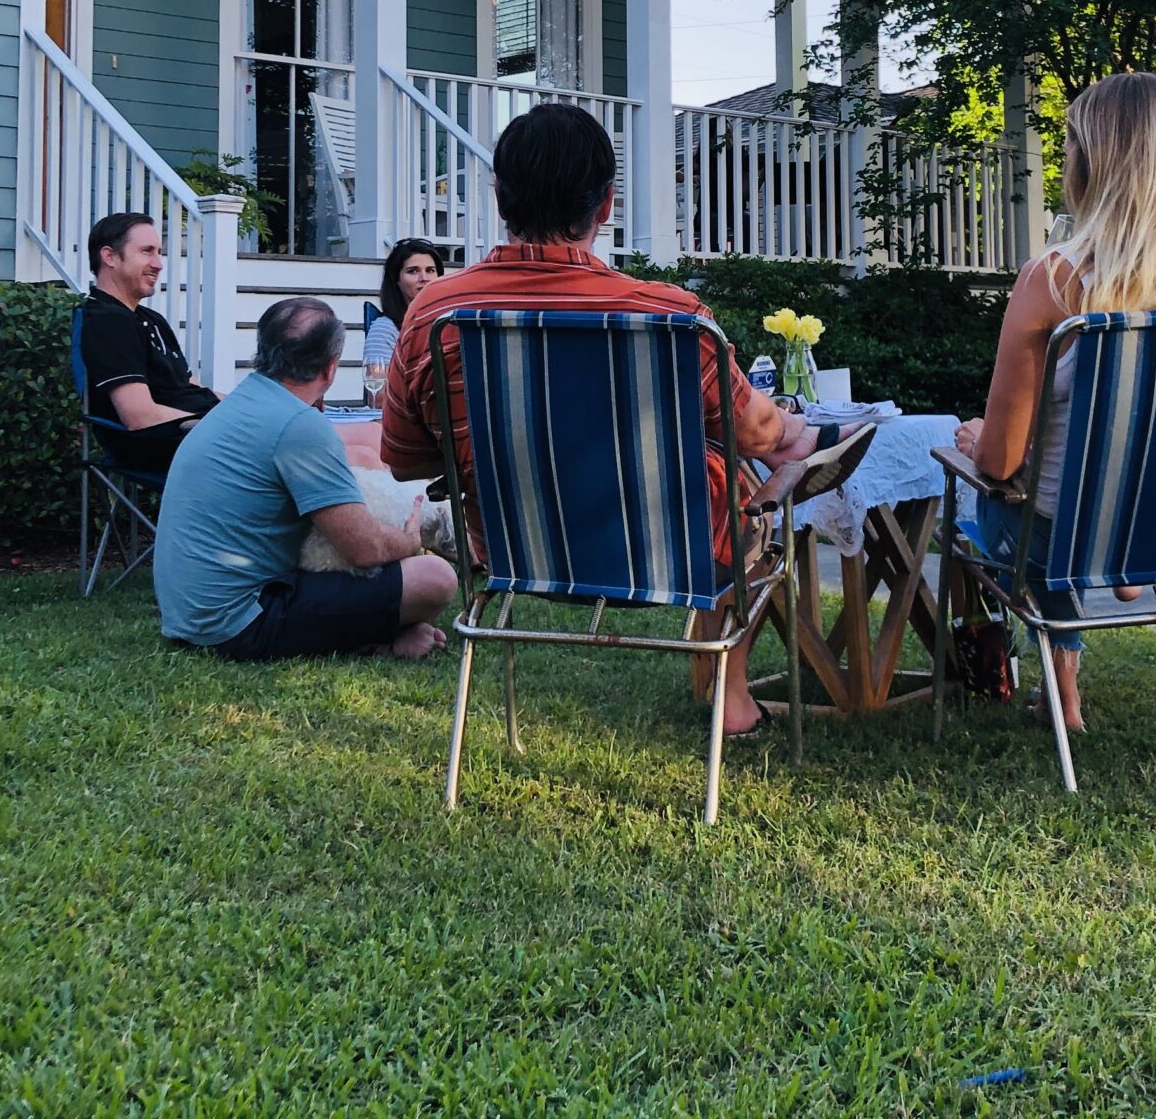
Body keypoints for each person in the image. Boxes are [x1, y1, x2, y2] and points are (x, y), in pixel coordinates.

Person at [379, 101, 821, 739]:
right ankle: (734, 702)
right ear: (607, 205)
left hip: (510, 548)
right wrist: (793, 430)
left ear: (501, 201)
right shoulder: (671, 318)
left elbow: (405, 459)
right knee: (749, 495)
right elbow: (759, 434)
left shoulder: (434, 315)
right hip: (671, 554)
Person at [952, 72, 1156, 734]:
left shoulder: (1055, 280)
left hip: (1063, 533)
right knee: (1069, 503)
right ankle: (1121, 567)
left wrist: (977, 437)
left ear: (1095, 163)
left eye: (1071, 146)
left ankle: (1060, 686)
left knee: (987, 495)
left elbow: (1000, 459)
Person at [155, 296, 458, 661]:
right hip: (237, 624)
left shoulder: (239, 403)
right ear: (331, 367)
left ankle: (383, 633)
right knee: (434, 577)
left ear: (263, 351)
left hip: (188, 616)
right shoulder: (299, 425)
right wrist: (411, 542)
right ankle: (382, 638)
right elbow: (364, 550)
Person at [78, 211, 220, 473]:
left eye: (158, 252)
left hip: (200, 435)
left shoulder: (149, 318)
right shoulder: (107, 322)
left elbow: (189, 386)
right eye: (147, 251)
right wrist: (225, 424)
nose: (158, 264)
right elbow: (139, 416)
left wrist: (252, 407)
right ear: (109, 257)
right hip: (172, 446)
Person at [364, 239, 445, 394]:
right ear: (396, 280)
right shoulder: (385, 329)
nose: (424, 278)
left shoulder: (449, 324)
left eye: (430, 270)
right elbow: (377, 394)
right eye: (413, 271)